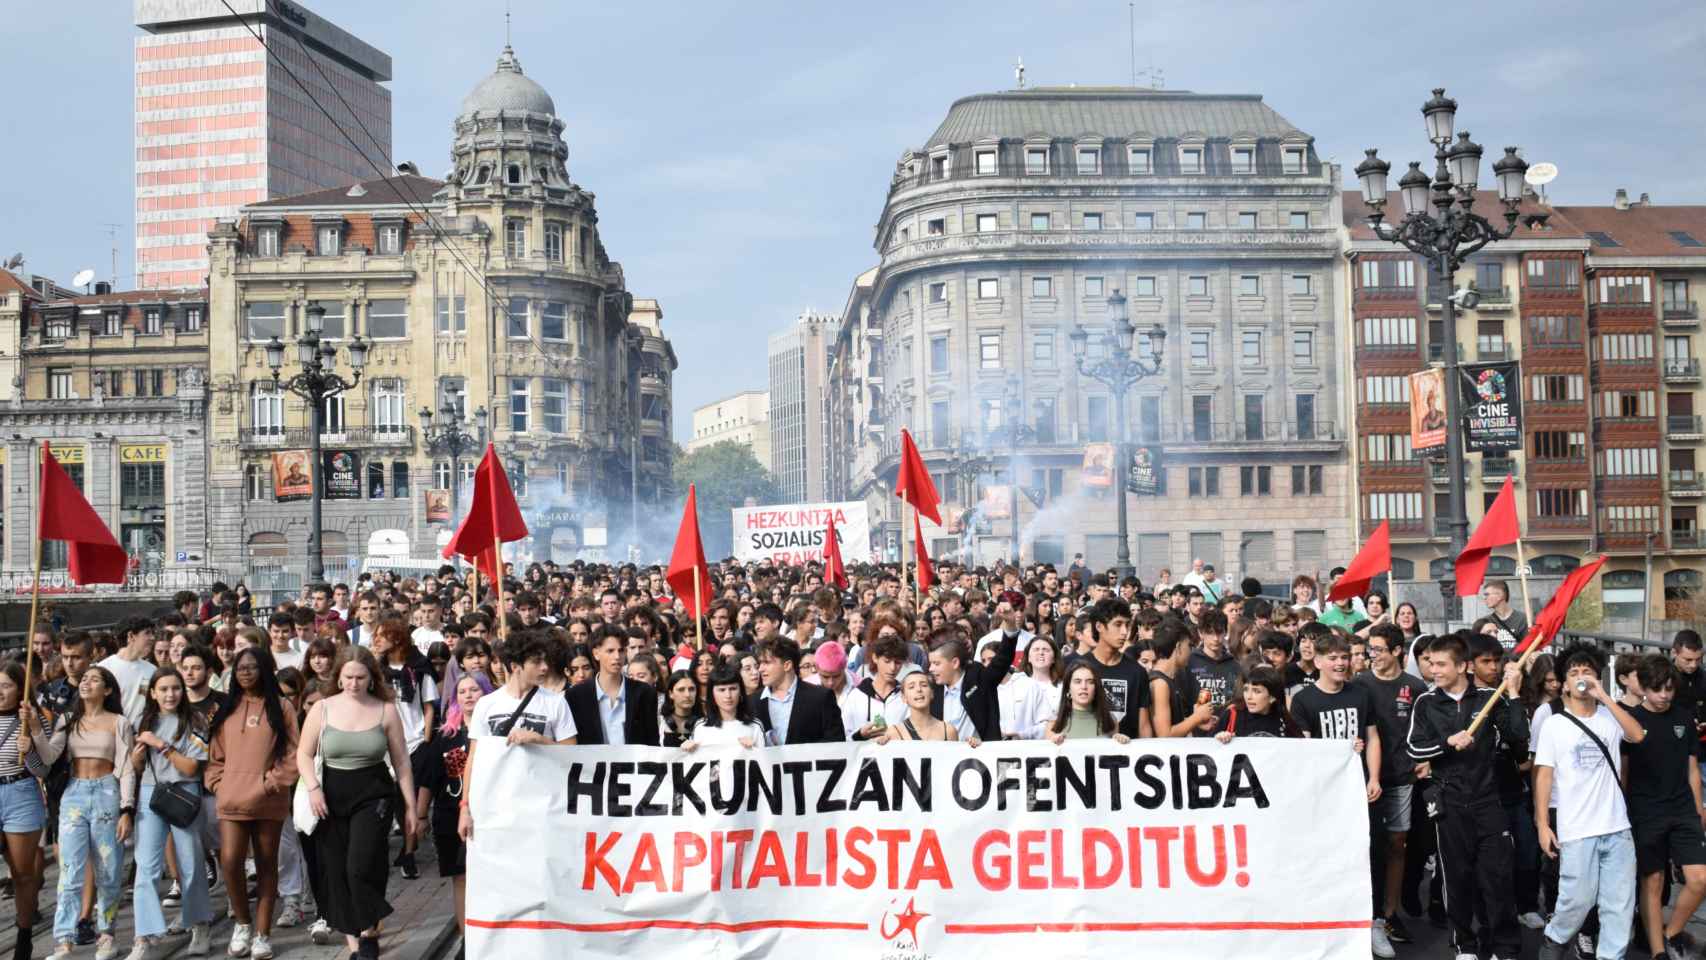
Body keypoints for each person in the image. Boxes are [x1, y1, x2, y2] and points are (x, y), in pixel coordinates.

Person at [1406, 632, 1526, 960]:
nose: (1434, 669)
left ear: (1462, 666)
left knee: (1498, 878)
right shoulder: (1426, 702)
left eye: (1441, 663)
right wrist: (1447, 743)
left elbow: (1520, 742)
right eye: (1430, 663)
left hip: (1489, 801)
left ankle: (1505, 947)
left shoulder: (1490, 697)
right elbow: (1414, 748)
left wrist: (1514, 695)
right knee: (1456, 879)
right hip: (1449, 804)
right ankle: (1464, 945)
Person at [298, 646, 421, 960]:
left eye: (360, 677)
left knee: (361, 865)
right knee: (336, 868)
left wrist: (410, 806)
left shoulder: (385, 709)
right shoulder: (322, 708)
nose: (354, 683)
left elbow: (402, 762)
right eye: (348, 677)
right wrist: (313, 788)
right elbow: (303, 753)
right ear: (339, 678)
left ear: (371, 678)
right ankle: (357, 944)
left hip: (374, 792)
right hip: (331, 794)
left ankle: (369, 926)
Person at [1533, 642, 1644, 960]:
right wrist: (1543, 824)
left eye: (1588, 671)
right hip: (1577, 829)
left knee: (1619, 905)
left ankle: (1611, 956)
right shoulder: (1554, 724)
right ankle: (1554, 941)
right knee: (1577, 900)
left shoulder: (1611, 715)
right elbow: (1543, 776)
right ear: (1564, 683)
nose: (1581, 676)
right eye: (1574, 672)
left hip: (1618, 828)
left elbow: (1637, 736)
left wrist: (1604, 695)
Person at [205, 648, 299, 960]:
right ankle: (242, 925)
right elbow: (215, 754)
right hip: (232, 796)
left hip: (268, 798)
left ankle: (262, 934)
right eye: (240, 668)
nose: (245, 673)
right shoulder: (227, 707)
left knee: (266, 863)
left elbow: (293, 753)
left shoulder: (282, 706)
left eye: (252, 667)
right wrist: (218, 783)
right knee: (230, 861)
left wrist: (270, 783)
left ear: (265, 670)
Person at [39, 665, 133, 960]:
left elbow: (128, 768)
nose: (86, 683)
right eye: (84, 679)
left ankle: (106, 934)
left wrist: (126, 809)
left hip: (107, 792)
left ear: (107, 690)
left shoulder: (119, 722)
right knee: (69, 870)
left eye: (94, 679)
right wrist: (32, 730)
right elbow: (49, 755)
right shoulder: (68, 719)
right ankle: (63, 939)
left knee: (108, 867)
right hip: (74, 794)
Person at [1622, 654, 1706, 959]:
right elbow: (1624, 773)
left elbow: (1693, 769)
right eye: (1658, 689)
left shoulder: (1684, 717)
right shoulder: (1631, 720)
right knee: (1653, 881)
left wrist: (1699, 810)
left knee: (1700, 879)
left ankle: (1670, 935)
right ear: (1644, 687)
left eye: (1669, 689)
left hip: (1683, 809)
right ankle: (1658, 952)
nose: (1664, 696)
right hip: (1646, 812)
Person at [127, 667, 213, 959]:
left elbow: (192, 767)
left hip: (184, 792)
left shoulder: (195, 720)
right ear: (152, 693)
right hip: (151, 793)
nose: (170, 694)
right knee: (146, 865)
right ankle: (145, 934)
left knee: (191, 862)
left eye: (175, 688)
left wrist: (161, 745)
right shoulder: (143, 721)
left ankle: (199, 923)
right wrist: (138, 757)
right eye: (163, 689)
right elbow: (137, 768)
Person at [1354, 623, 1429, 954]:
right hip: (1361, 778)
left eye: (1379, 650)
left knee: (1397, 843)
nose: (1374, 656)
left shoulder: (1415, 686)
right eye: (1371, 650)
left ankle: (1388, 913)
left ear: (1398, 651)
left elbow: (1426, 730)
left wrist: (1428, 760)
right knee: (1366, 846)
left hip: (1401, 777)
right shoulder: (1359, 684)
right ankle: (1364, 913)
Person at [415, 672, 489, 956]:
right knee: (461, 876)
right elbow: (429, 780)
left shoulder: (496, 731)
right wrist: (420, 816)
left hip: (488, 815)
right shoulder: (446, 736)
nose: (468, 695)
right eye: (462, 691)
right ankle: (467, 939)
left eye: (474, 690)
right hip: (450, 815)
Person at [0, 661, 51, 960]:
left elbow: (42, 768)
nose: (0, 691)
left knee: (22, 875)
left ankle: (23, 935)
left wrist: (30, 745)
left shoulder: (31, 720)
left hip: (20, 793)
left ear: (19, 689)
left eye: (6, 685)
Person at [567, 624, 660, 746]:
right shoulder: (576, 695)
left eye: (621, 651)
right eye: (610, 651)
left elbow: (652, 743)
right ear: (596, 653)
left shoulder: (645, 693)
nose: (617, 657)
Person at [1076, 597, 1152, 739]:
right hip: (1087, 752)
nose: (1124, 632)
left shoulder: (1137, 672)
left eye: (1127, 625)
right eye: (1118, 624)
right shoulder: (1079, 667)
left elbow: (1144, 724)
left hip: (1128, 753)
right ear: (1099, 626)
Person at [752, 637, 844, 745]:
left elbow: (836, 742)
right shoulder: (753, 701)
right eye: (760, 663)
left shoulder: (821, 697)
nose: (760, 669)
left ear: (787, 665)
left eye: (767, 663)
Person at [1150, 619, 1214, 739]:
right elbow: (1164, 735)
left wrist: (1194, 721)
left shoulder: (1169, 679)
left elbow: (1173, 723)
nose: (1191, 651)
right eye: (1189, 646)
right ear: (1178, 647)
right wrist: (1197, 717)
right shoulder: (1160, 684)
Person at [683, 664, 765, 749]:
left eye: (733, 689)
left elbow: (766, 759)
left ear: (740, 691)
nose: (728, 695)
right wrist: (686, 751)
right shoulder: (700, 727)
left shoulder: (755, 726)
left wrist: (755, 750)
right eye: (722, 690)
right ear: (712, 694)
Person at [98, 616, 158, 731]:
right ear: (131, 636)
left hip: (141, 737)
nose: (152, 638)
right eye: (147, 633)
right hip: (111, 734)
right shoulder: (104, 668)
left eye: (152, 633)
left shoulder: (152, 670)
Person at [1046, 661, 1129, 743]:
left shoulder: (1110, 719)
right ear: (1068, 688)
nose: (1084, 687)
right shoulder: (1054, 723)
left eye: (1090, 682)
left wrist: (1120, 741)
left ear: (1096, 688)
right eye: (1077, 682)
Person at [1213, 665, 1300, 739]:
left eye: (1256, 691)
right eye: (1246, 689)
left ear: (1272, 697)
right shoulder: (1232, 714)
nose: (1249, 696)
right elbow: (1206, 750)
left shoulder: (1284, 721)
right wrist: (1218, 739)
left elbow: (1302, 750)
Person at [879, 664, 957, 743]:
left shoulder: (949, 731)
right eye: (911, 687)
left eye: (924, 685)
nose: (919, 689)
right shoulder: (894, 733)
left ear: (932, 693)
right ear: (903, 697)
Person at [1480, 580, 1530, 652]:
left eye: (1487, 594)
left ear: (1500, 596)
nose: (1484, 598)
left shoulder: (1522, 619)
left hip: (1518, 662)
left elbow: (1529, 646)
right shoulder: (1486, 621)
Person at [659, 671, 700, 748]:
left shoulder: (704, 723)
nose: (687, 695)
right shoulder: (660, 721)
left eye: (691, 689)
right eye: (681, 690)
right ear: (671, 694)